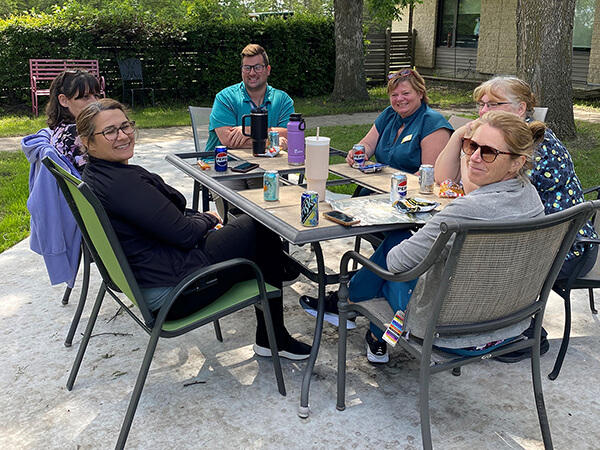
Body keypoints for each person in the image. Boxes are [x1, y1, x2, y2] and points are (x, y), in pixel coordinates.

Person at [76, 98, 310, 361]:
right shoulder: (121, 184)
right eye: (109, 131)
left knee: (252, 236)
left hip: (159, 271)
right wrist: (208, 219)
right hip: (176, 292)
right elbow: (185, 234)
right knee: (259, 225)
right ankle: (274, 329)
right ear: (87, 141)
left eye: (126, 126)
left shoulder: (97, 175)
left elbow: (162, 221)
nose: (122, 136)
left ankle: (278, 273)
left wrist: (200, 221)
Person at [308, 111, 546, 363]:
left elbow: (397, 264)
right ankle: (371, 331)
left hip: (447, 331)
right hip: (506, 326)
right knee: (401, 241)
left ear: (517, 162)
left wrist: (465, 178)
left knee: (391, 248)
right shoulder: (531, 197)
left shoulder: (465, 211)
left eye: (488, 152)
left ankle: (353, 307)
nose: (474, 157)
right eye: (471, 146)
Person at [434, 76, 598, 362]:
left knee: (457, 257)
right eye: (480, 104)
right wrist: (458, 135)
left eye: (494, 104)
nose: (484, 111)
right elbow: (444, 179)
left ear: (521, 108)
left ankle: (515, 333)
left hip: (565, 250)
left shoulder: (532, 146)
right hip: (528, 239)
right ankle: (489, 328)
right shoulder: (502, 141)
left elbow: (480, 198)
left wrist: (470, 148)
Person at [345, 68, 453, 174]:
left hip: (408, 189)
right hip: (377, 186)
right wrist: (358, 154)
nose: (400, 99)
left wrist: (393, 185)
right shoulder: (389, 114)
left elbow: (429, 172)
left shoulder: (432, 123)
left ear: (420, 93)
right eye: (394, 95)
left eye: (405, 93)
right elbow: (368, 144)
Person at [45, 69, 102, 174]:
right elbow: (98, 176)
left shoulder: (61, 128)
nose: (95, 102)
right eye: (85, 97)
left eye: (96, 95)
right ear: (64, 100)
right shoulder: (76, 134)